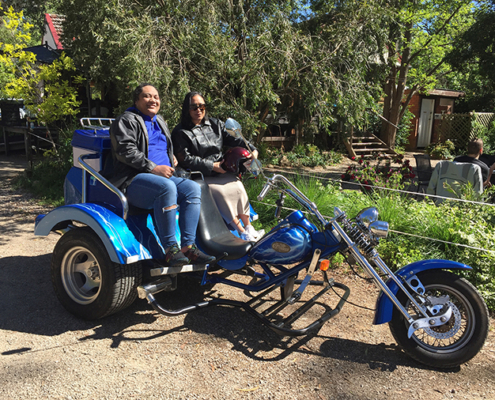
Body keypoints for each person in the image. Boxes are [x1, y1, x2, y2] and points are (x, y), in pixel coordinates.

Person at [105, 84, 215, 266]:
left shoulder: (159, 120)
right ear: (136, 100)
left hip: (163, 176)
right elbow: (125, 151)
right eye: (147, 96)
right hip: (133, 180)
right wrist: (154, 167)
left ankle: (188, 247)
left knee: (192, 188)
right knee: (167, 187)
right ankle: (170, 249)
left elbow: (160, 144)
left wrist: (169, 155)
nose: (153, 100)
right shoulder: (126, 120)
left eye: (156, 97)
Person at [172, 91, 264, 241]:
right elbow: (185, 159)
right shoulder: (180, 132)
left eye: (201, 106)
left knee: (238, 187)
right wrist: (211, 165)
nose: (198, 110)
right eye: (194, 107)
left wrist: (252, 150)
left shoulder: (216, 124)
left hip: (222, 170)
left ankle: (249, 227)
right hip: (200, 174)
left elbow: (237, 140)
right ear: (186, 109)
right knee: (221, 192)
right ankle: (241, 231)